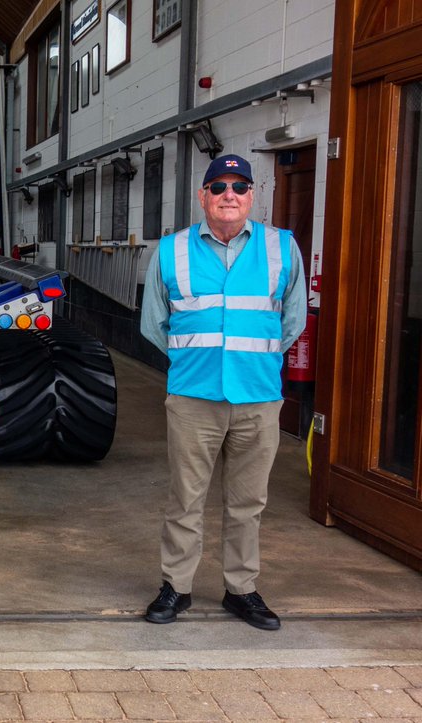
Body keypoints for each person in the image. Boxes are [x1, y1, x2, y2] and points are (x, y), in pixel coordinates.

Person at [139, 153, 306, 631]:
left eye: (239, 186)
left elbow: (292, 319)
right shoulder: (171, 251)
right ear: (203, 196)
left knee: (248, 501)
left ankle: (242, 589)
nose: (228, 195)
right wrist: (197, 360)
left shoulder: (281, 248)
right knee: (185, 500)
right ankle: (177, 586)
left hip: (258, 397)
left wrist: (255, 357)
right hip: (194, 397)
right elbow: (153, 324)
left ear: (252, 196)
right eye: (218, 187)